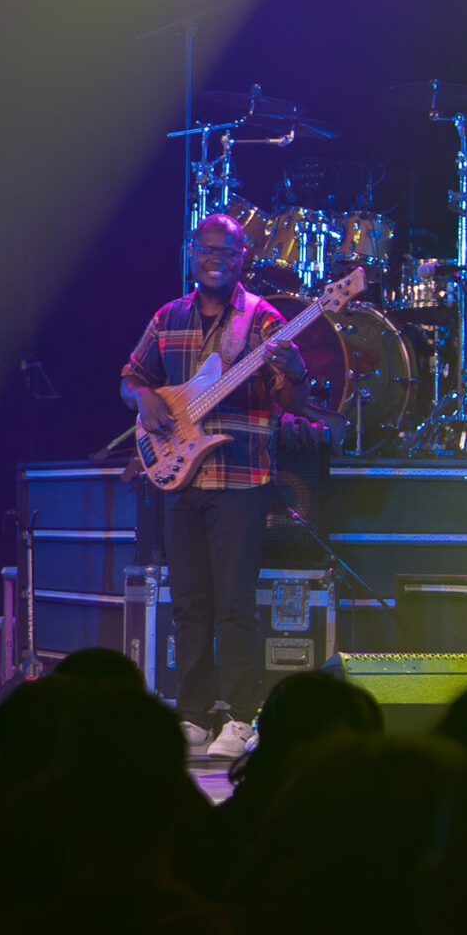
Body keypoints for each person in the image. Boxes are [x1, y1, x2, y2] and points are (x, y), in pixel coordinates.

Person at [118, 212, 307, 757]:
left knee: (235, 604)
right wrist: (144, 397)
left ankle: (242, 716)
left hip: (241, 477)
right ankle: (194, 713)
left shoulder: (263, 319)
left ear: (242, 258)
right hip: (179, 475)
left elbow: (293, 401)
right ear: (192, 252)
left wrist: (295, 369)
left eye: (227, 252)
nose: (215, 260)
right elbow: (130, 378)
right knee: (189, 603)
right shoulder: (168, 316)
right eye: (207, 250)